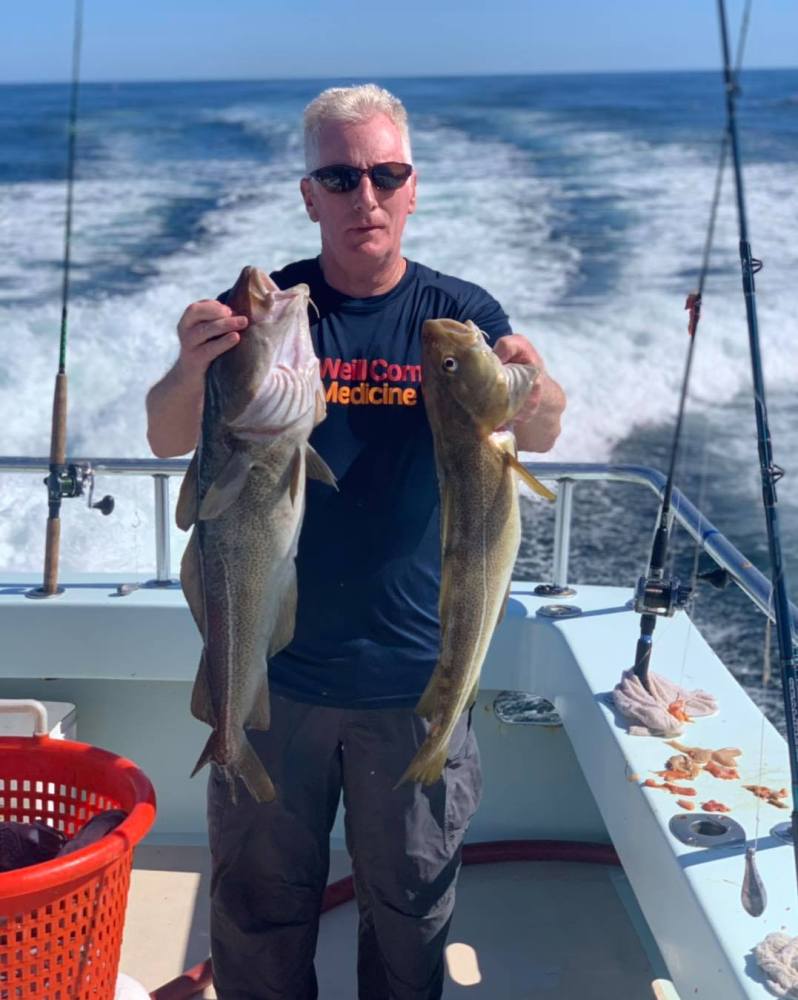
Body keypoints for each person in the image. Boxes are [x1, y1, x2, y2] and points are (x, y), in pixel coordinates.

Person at [146, 84, 566, 1000]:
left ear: (413, 188)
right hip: (278, 676)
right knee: (258, 911)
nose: (363, 196)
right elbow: (167, 433)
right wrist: (190, 365)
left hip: (418, 677)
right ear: (310, 195)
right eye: (340, 176)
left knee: (411, 910)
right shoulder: (270, 312)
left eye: (385, 174)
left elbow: (540, 433)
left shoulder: (457, 310)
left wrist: (530, 383)